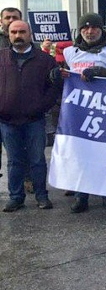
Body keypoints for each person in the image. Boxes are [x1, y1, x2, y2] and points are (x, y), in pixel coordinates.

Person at [62, 13, 106, 213]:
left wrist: (99, 72)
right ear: (80, 30)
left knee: (105, 154)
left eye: (94, 28)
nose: (90, 32)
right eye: (85, 28)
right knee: (81, 154)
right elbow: (65, 77)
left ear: (101, 29)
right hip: (79, 111)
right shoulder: (70, 52)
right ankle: (81, 195)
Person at [0, 20, 62, 212]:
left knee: (37, 160)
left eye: (22, 32)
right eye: (14, 32)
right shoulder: (1, 57)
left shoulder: (45, 60)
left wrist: (41, 107)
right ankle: (16, 197)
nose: (18, 36)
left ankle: (42, 196)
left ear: (30, 34)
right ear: (9, 35)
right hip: (7, 120)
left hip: (34, 120)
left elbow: (54, 87)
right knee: (14, 161)